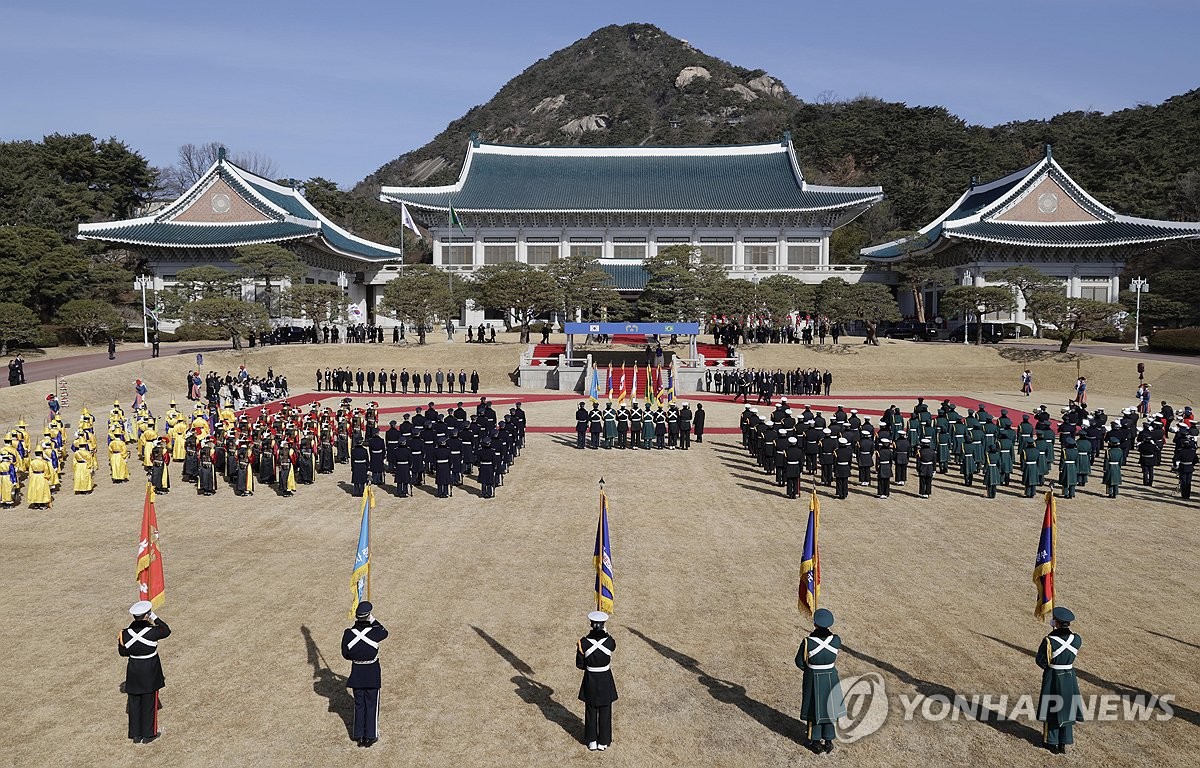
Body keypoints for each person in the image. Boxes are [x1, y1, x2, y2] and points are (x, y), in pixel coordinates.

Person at [118, 600, 171, 744]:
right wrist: (154, 616)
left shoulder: (124, 633)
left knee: (134, 702)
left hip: (134, 670)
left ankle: (135, 734)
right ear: (146, 615)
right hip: (150, 670)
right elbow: (166, 630)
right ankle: (148, 734)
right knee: (149, 702)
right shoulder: (153, 632)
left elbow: (122, 652)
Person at [796, 608, 845, 753]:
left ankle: (815, 741)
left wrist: (809, 670)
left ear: (815, 623)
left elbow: (799, 662)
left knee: (814, 709)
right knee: (829, 709)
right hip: (831, 677)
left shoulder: (808, 642)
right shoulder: (836, 640)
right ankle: (829, 740)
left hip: (814, 677)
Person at [341, 601, 389, 748]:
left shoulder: (348, 634)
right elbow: (385, 632)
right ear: (368, 615)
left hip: (357, 674)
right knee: (372, 705)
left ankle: (358, 735)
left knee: (359, 705)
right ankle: (370, 736)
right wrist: (372, 619)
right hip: (372, 674)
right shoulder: (375, 633)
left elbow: (345, 654)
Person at [1036, 606, 1082, 754]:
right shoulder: (1077, 639)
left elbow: (1041, 661)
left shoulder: (1049, 641)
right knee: (1067, 708)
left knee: (1051, 709)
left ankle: (1051, 741)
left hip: (1053, 676)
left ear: (1056, 622)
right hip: (1069, 676)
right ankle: (1064, 741)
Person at [576, 610, 617, 751]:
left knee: (590, 710)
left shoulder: (583, 643)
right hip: (605, 679)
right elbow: (613, 646)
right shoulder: (610, 641)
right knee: (605, 711)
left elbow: (580, 665)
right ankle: (603, 741)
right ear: (604, 624)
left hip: (590, 679)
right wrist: (606, 633)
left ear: (591, 624)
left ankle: (591, 740)